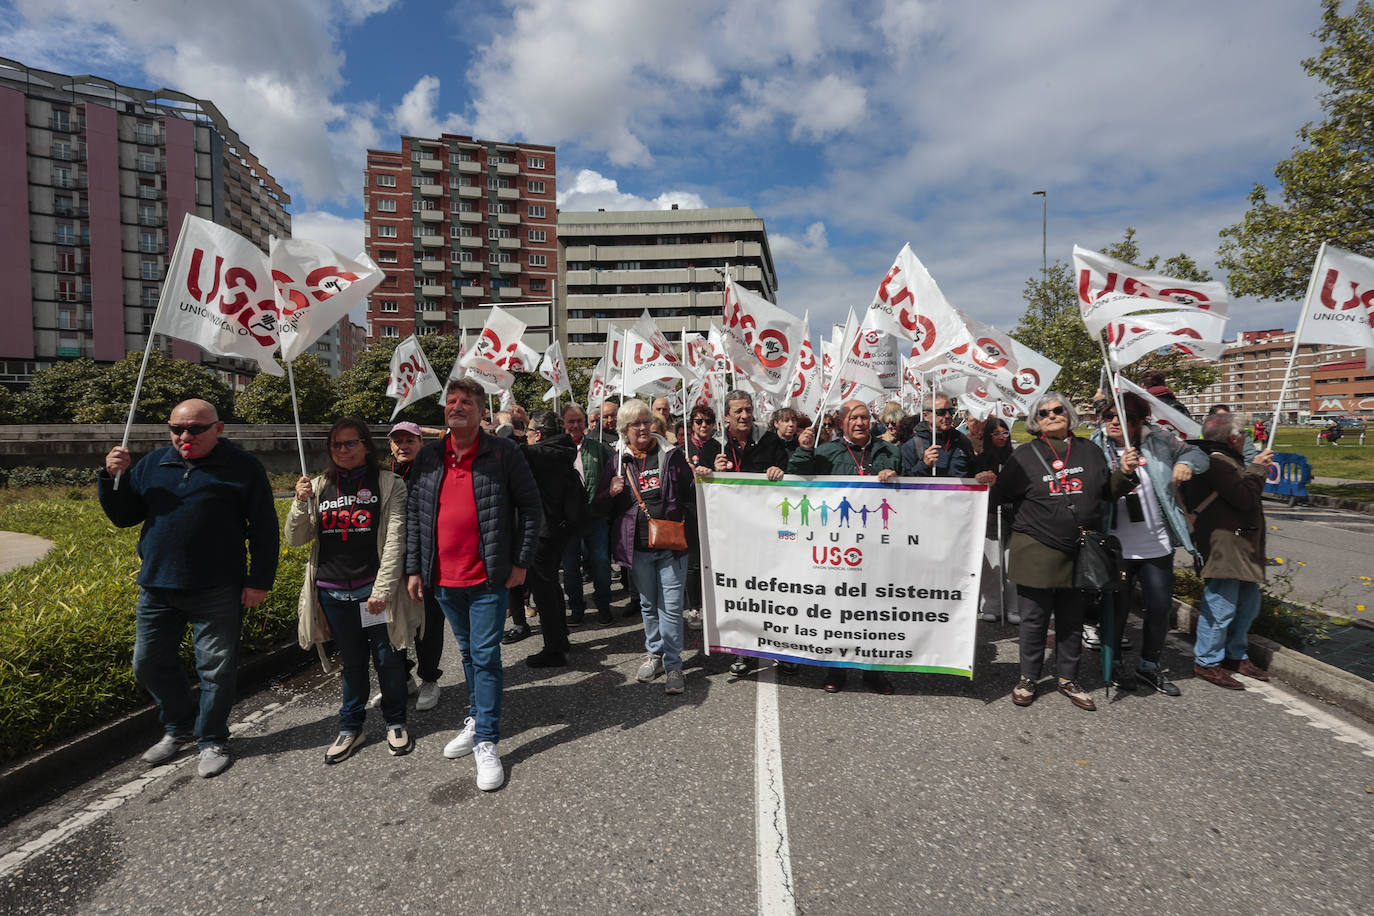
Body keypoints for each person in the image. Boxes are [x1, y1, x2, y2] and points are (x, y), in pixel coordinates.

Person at [98, 398, 278, 778]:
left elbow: (264, 529)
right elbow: (125, 517)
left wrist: (259, 581)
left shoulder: (243, 468)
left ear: (219, 428)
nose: (185, 436)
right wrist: (111, 478)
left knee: (215, 669)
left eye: (195, 429)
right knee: (147, 664)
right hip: (158, 585)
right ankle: (179, 726)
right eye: (176, 429)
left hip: (217, 588)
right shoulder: (152, 463)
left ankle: (212, 738)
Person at [405, 378, 541, 791]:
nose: (456, 406)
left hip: (487, 576)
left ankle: (487, 740)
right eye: (451, 401)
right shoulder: (429, 456)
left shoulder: (503, 453)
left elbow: (532, 509)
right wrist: (414, 568)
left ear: (483, 412)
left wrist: (520, 562)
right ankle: (478, 717)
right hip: (443, 579)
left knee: (483, 656)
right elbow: (415, 516)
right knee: (467, 652)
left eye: (466, 402)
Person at [992, 392, 1139, 711]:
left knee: (1072, 619)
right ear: (1036, 421)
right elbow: (998, 496)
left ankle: (1067, 677)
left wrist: (1124, 474)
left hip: (1079, 551)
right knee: (1034, 619)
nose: (1053, 415)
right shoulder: (1025, 455)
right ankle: (1028, 677)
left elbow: (1107, 495)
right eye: (1044, 413)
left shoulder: (1090, 450)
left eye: (1059, 410)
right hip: (1036, 549)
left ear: (1070, 414)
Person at [287, 419, 421, 763]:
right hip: (332, 594)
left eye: (350, 443)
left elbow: (395, 540)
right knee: (353, 664)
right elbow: (296, 538)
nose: (343, 450)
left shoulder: (388, 484)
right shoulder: (317, 486)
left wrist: (383, 589)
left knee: (389, 659)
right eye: (336, 445)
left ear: (365, 445)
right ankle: (351, 725)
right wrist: (300, 503)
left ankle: (395, 721)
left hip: (373, 592)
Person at [1090, 395, 1209, 696]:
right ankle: (1114, 661)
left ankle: (1149, 665)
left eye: (1124, 417)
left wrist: (1184, 464)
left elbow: (1199, 455)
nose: (1115, 422)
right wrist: (1121, 472)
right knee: (1116, 611)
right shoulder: (1094, 448)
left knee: (1158, 607)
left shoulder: (1159, 441)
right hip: (1117, 546)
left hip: (1156, 544)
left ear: (1140, 421)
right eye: (1109, 416)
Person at [788, 399, 902, 694]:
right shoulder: (825, 452)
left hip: (875, 546)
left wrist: (900, 476)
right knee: (838, 608)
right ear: (841, 423)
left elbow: (913, 489)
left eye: (865, 417)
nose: (861, 423)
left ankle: (873, 671)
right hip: (836, 546)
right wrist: (803, 449)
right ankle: (836, 669)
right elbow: (797, 473)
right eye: (854, 418)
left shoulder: (889, 451)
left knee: (873, 611)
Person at [608, 399, 695, 695]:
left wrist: (703, 473)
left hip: (671, 545)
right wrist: (610, 491)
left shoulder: (671, 454)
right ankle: (654, 654)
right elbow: (600, 505)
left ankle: (673, 665)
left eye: (646, 421)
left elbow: (689, 490)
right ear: (625, 430)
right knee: (648, 604)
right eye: (636, 424)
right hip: (638, 546)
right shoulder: (618, 459)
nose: (643, 427)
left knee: (670, 608)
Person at [1182, 414, 1275, 690]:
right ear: (1233, 438)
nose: (1245, 439)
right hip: (1225, 544)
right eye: (1243, 435)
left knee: (1247, 604)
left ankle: (1236, 654)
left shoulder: (1221, 458)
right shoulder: (1216, 460)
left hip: (1240, 544)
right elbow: (1244, 498)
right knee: (1221, 605)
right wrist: (1257, 468)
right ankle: (1207, 661)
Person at [713, 390, 789, 675]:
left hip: (769, 533)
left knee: (777, 593)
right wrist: (710, 471)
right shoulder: (717, 444)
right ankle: (743, 652)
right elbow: (700, 478)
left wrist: (779, 471)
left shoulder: (770, 441)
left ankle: (785, 651)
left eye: (748, 409)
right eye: (738, 411)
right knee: (742, 595)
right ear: (726, 417)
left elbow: (789, 472)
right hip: (734, 536)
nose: (744, 415)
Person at [370, 422, 442, 712]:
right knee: (387, 625)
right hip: (387, 563)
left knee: (428, 625)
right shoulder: (381, 478)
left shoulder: (434, 474)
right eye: (397, 441)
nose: (403, 446)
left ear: (421, 443)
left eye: (409, 440)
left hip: (425, 562)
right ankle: (403, 677)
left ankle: (430, 679)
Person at [519, 409, 585, 667]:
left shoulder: (541, 454)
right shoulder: (562, 449)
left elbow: (512, 449)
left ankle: (554, 649)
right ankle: (561, 638)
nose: (526, 437)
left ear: (539, 434)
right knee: (551, 587)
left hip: (544, 531)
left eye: (529, 432)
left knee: (544, 591)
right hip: (559, 528)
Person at [559, 404, 615, 626]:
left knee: (601, 564)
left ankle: (603, 605)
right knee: (571, 568)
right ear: (563, 423)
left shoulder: (597, 447)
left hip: (595, 517)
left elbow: (614, 469)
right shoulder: (558, 449)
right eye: (570, 421)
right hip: (568, 521)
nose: (575, 425)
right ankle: (576, 608)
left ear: (585, 422)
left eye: (579, 421)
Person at [970, 416, 1018, 623]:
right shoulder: (980, 459)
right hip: (991, 514)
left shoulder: (1016, 457)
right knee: (993, 563)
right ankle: (991, 604)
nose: (1001, 437)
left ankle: (1014, 607)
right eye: (996, 433)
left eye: (1004, 432)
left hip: (1014, 514)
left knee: (1012, 563)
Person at [682, 404, 721, 630]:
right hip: (691, 512)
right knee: (694, 564)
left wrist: (717, 471)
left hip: (715, 511)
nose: (704, 425)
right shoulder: (682, 450)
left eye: (708, 421)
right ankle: (694, 606)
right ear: (691, 425)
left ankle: (715, 605)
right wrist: (691, 473)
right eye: (699, 421)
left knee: (715, 561)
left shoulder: (719, 446)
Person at [902, 394, 976, 477]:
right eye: (941, 412)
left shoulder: (962, 440)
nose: (948, 416)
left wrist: (983, 476)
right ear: (925, 416)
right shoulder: (913, 445)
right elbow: (904, 482)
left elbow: (974, 473)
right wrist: (924, 465)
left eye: (951, 411)